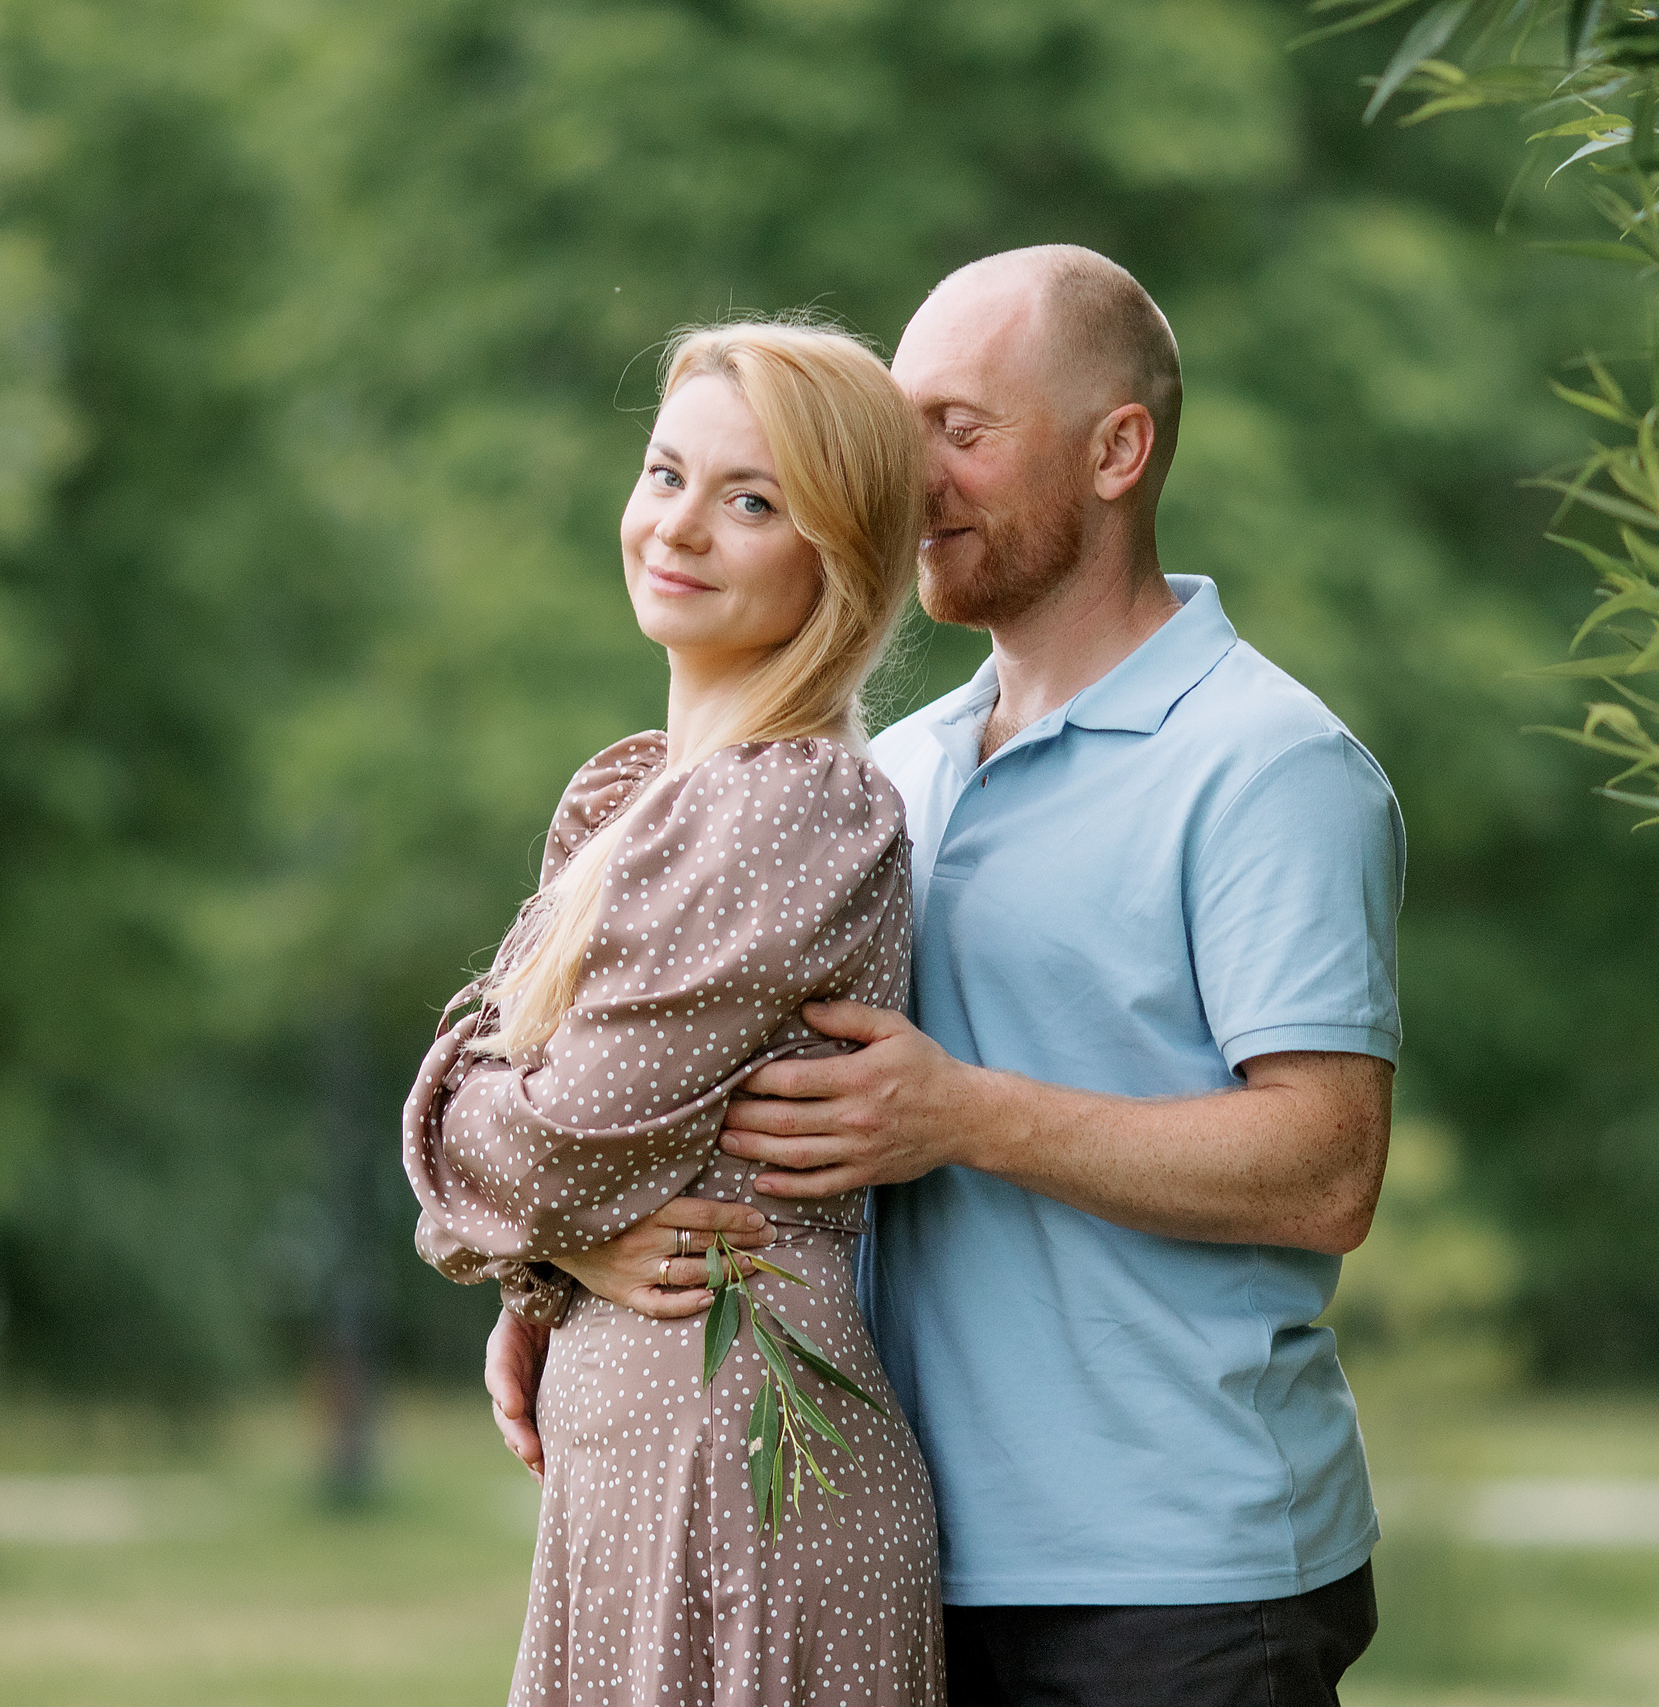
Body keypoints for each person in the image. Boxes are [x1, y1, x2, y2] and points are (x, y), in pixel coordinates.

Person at [492, 245, 1402, 1705]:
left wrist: (967, 1115)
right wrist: (562, 1270)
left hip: (1173, 1575)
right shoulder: (891, 773)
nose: (913, 478)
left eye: (961, 432)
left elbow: (1327, 1167)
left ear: (1117, 451)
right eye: (899, 429)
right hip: (891, 1537)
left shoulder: (1267, 763)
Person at [404, 319, 943, 1707]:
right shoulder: (637, 799)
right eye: (665, 474)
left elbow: (553, 1137)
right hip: (642, 1469)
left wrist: (516, 1194)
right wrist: (556, 1262)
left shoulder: (793, 807)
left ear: (838, 558)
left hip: (742, 1477)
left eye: (750, 501)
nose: (680, 526)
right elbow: (541, 1153)